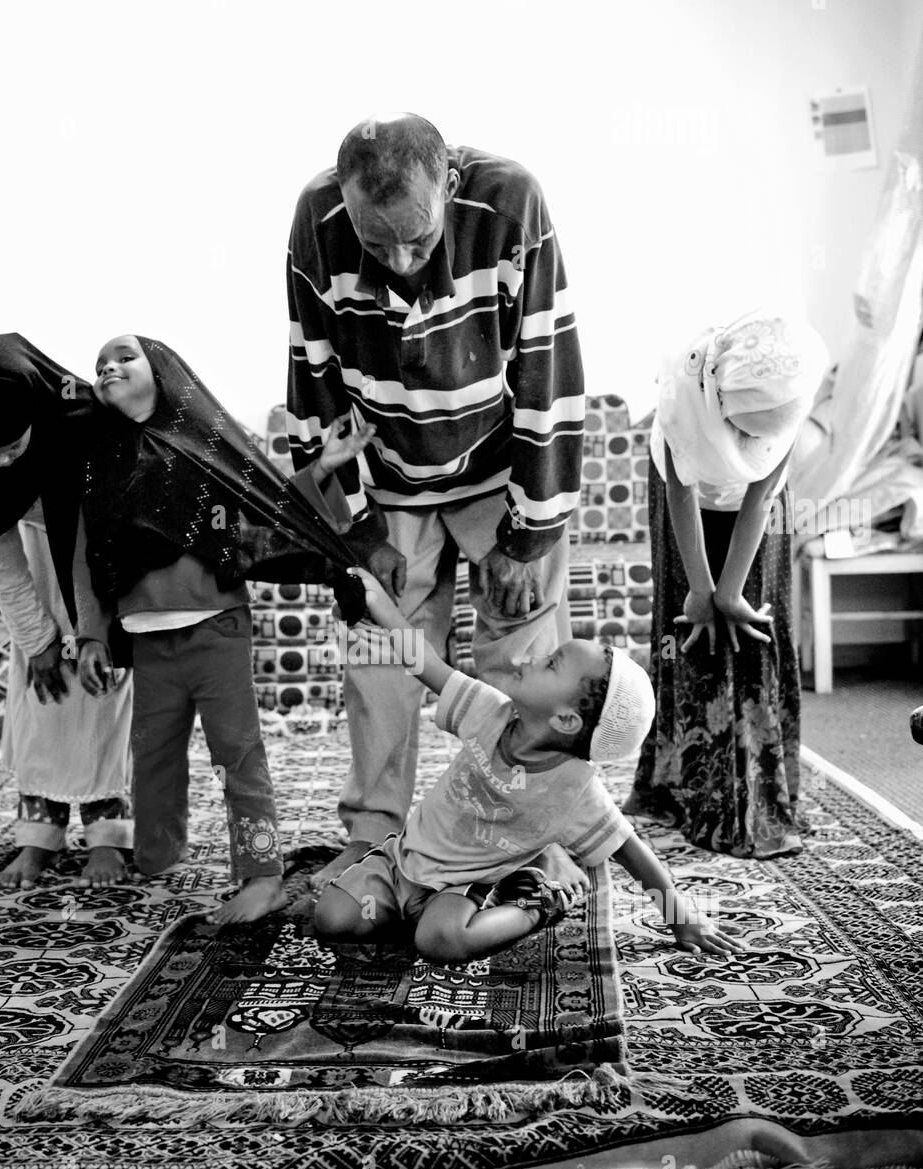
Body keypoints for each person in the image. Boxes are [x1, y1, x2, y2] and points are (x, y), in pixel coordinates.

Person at [287, 113, 585, 887]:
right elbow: (312, 378)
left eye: (416, 238)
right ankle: (375, 833)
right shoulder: (316, 223)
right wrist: (356, 533)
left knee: (522, 659)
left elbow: (548, 370)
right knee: (380, 650)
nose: (399, 259)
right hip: (388, 480)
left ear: (449, 182)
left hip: (498, 469)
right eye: (375, 242)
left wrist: (530, 535)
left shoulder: (512, 203)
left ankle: (530, 828)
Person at [84, 335, 371, 925]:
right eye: (99, 366)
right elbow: (88, 557)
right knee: (152, 751)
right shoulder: (102, 458)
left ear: (163, 371)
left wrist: (324, 468)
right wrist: (92, 633)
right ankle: (158, 852)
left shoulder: (206, 442)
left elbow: (269, 506)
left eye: (124, 356)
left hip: (216, 629)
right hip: (146, 639)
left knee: (237, 753)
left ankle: (262, 877)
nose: (109, 366)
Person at [314, 570, 742, 966]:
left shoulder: (572, 788)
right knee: (331, 919)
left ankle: (536, 905)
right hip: (402, 859)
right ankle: (408, 902)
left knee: (439, 941)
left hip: (465, 884)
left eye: (551, 663)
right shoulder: (487, 710)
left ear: (566, 720)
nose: (534, 657)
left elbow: (632, 851)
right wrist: (379, 604)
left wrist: (681, 917)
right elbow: (423, 662)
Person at [0, 334, 134, 890]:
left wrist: (91, 630)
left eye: (12, 450)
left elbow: (97, 532)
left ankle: (107, 836)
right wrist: (38, 640)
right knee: (40, 691)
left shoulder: (81, 416)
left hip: (100, 561)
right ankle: (38, 837)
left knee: (102, 682)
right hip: (35, 562)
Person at [625, 312, 829, 858]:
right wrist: (700, 590)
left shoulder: (787, 405)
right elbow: (682, 496)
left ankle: (761, 790)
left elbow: (760, 499)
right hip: (681, 498)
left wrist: (730, 592)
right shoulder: (680, 401)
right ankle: (679, 785)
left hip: (759, 513)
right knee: (686, 627)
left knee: (752, 627)